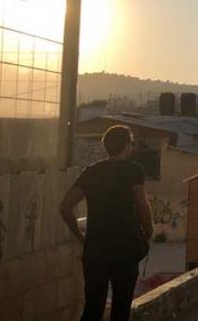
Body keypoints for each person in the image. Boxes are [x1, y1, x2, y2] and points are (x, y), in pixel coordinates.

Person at [59, 125, 154, 321]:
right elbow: (142, 205)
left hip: (95, 249)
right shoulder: (133, 170)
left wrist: (81, 237)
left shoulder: (92, 172)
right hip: (125, 247)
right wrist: (148, 232)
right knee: (121, 307)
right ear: (127, 146)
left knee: (93, 306)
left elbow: (65, 206)